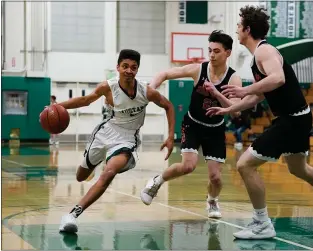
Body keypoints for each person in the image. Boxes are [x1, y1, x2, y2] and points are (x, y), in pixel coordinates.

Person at [206, 5, 313, 239]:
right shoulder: (259, 57)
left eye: (238, 25)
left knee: (245, 165)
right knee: (299, 169)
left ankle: (262, 223)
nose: (236, 29)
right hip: (297, 119)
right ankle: (262, 223)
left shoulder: (265, 52)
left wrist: (244, 90)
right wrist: (231, 108)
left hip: (291, 121)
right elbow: (260, 94)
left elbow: (278, 78)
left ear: (247, 29)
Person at [44, 49, 175, 233]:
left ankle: (71, 215)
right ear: (118, 67)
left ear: (137, 70)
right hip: (106, 132)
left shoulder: (146, 92)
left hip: (127, 139)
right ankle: (95, 162)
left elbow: (168, 106)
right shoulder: (108, 87)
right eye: (125, 66)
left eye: (134, 67)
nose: (129, 70)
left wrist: (170, 137)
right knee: (80, 176)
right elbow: (85, 100)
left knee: (109, 172)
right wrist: (57, 106)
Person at [140, 30, 242, 218]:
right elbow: (164, 73)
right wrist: (150, 90)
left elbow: (236, 110)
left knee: (216, 178)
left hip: (215, 129)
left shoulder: (233, 79)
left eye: (217, 51)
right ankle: (157, 181)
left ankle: (212, 201)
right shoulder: (198, 70)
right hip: (192, 124)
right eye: (210, 50)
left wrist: (217, 94)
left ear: (228, 53)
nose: (211, 55)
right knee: (188, 166)